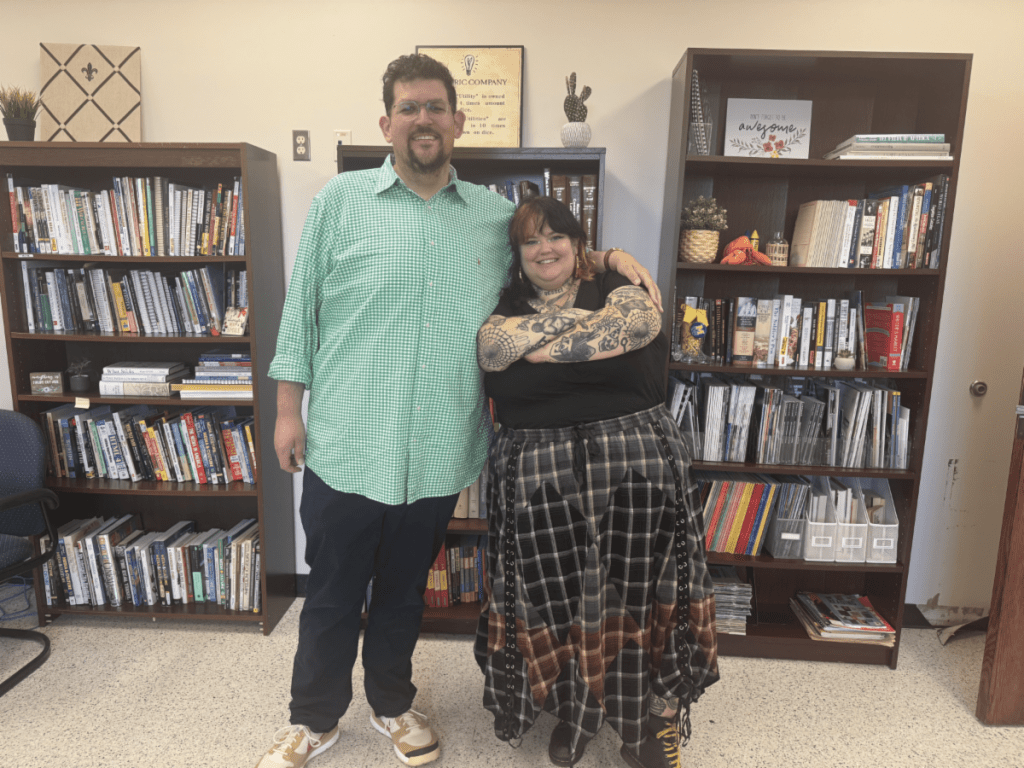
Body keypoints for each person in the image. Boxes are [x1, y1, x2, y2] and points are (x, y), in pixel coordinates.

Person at [258, 53, 661, 768]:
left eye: (435, 107)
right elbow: (300, 314)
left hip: (438, 446)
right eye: (409, 107)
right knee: (331, 592)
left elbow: (551, 253)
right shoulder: (339, 201)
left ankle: (391, 705)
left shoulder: (494, 215)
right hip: (349, 438)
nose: (423, 119)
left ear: (458, 121)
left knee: (404, 592)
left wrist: (611, 258)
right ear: (386, 123)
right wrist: (288, 411)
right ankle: (313, 718)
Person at [474, 196, 719, 768]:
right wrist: (586, 331)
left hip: (636, 474)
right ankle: (576, 712)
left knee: (645, 595)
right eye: (531, 241)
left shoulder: (616, 283)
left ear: (578, 243)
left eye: (556, 235)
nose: (545, 249)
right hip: (539, 482)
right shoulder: (506, 303)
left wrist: (537, 348)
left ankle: (654, 718)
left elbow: (639, 323)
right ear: (518, 254)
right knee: (556, 601)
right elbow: (492, 348)